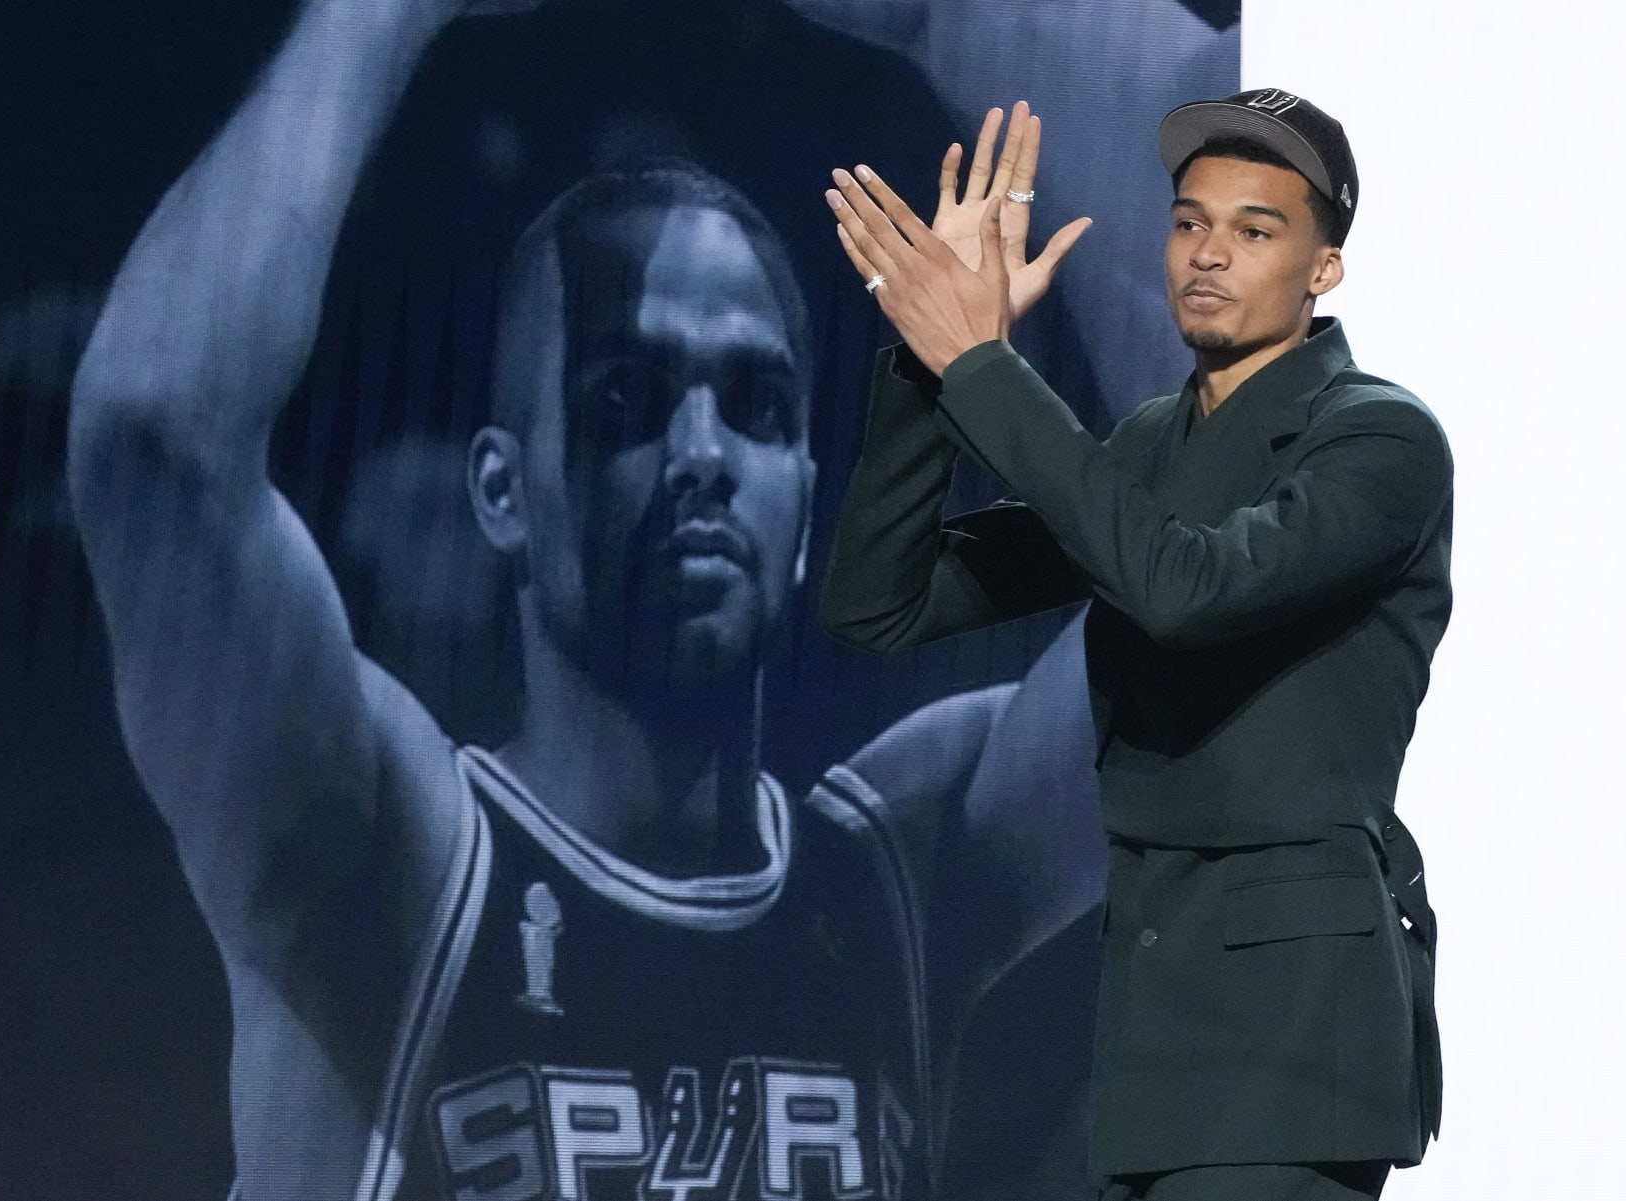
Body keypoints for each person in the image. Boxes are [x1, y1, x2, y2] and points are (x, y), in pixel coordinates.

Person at [65, 2, 1112, 1199]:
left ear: (805, 496)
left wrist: (970, 20)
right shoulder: (389, 852)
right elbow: (151, 429)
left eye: (756, 405)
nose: (704, 453)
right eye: (628, 400)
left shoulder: (906, 871)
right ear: (502, 492)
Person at [821, 89, 1451, 1200]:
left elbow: (1184, 589)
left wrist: (984, 366)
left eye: (1255, 230)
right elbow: (884, 604)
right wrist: (932, 363)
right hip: (1143, 1037)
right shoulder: (1152, 445)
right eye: (1189, 221)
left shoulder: (1380, 439)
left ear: (1324, 268)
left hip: (1294, 1040)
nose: (1208, 253)